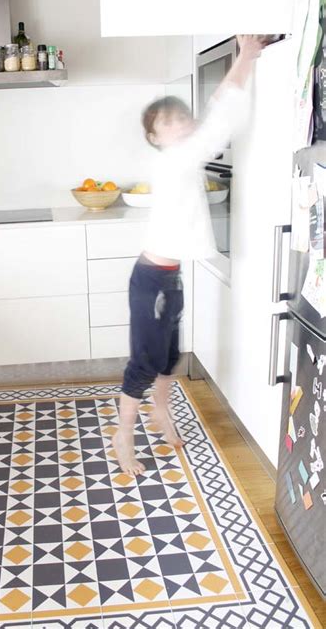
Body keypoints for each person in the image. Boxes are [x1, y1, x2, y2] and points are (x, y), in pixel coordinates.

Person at [113, 35, 266, 476]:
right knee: (144, 362)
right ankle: (123, 434)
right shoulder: (175, 160)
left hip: (169, 277)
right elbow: (219, 119)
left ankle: (160, 414)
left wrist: (244, 60)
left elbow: (215, 115)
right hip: (152, 280)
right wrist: (248, 56)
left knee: (168, 357)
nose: (180, 124)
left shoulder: (185, 154)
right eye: (169, 122)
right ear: (154, 137)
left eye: (182, 117)